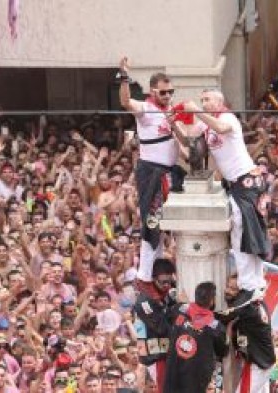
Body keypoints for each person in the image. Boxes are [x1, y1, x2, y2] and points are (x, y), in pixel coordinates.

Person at [182, 90, 270, 300]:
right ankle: (252, 282)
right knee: (241, 230)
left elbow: (220, 127)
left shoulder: (227, 117)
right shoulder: (205, 123)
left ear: (219, 102)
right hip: (234, 183)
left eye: (207, 100)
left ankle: (251, 283)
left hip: (247, 179)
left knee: (245, 231)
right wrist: (175, 121)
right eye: (201, 100)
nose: (204, 103)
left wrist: (196, 111)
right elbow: (189, 138)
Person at [119, 57, 179, 293]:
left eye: (170, 92)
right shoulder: (146, 108)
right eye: (163, 92)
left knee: (165, 223)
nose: (167, 96)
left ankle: (158, 269)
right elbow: (125, 102)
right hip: (152, 172)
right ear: (154, 91)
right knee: (151, 222)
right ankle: (144, 277)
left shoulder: (171, 111)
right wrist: (124, 76)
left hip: (169, 172)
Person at [164, 281, 228, 393]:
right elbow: (223, 351)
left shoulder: (179, 310)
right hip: (196, 381)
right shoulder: (215, 327)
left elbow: (168, 316)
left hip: (173, 376)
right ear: (212, 300)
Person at [219, 274, 276, 393]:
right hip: (257, 359)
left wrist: (191, 307)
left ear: (243, 293)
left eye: (233, 289)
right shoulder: (255, 304)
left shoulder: (246, 307)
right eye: (228, 287)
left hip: (259, 364)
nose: (228, 291)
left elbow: (221, 317)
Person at [133, 258, 178, 393]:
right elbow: (161, 328)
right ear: (153, 279)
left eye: (170, 282)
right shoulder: (145, 301)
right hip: (155, 356)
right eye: (163, 282)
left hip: (167, 354)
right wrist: (177, 308)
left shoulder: (166, 295)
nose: (167, 285)